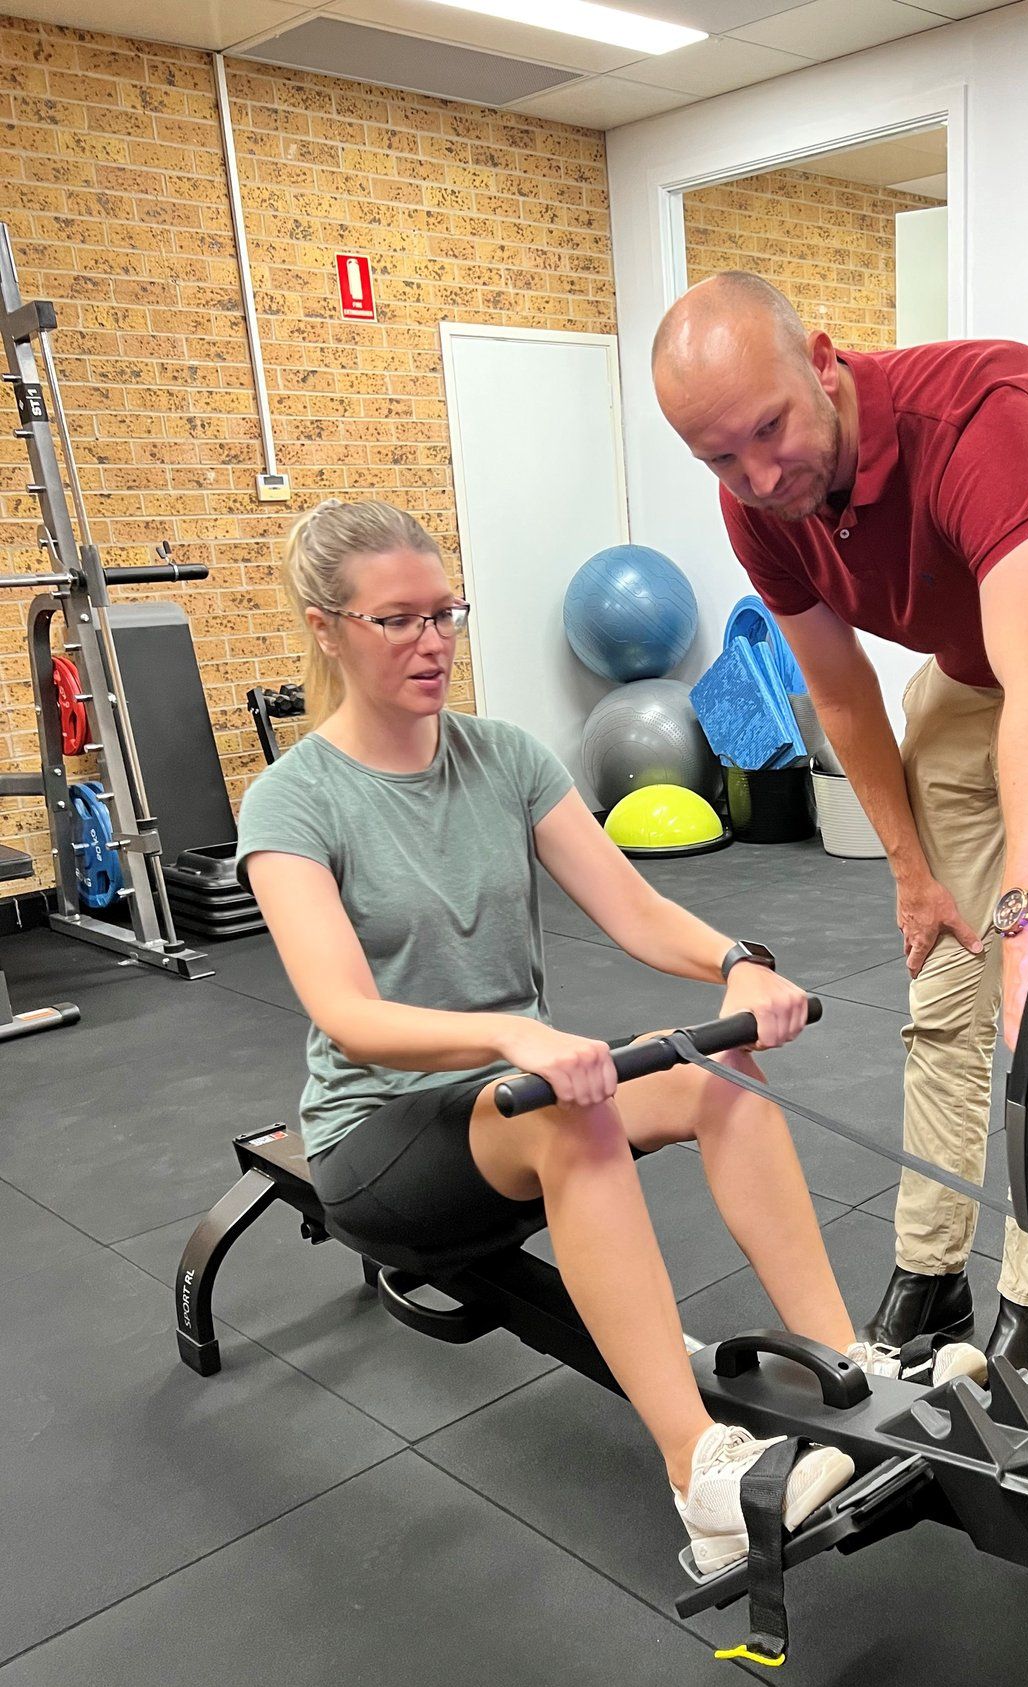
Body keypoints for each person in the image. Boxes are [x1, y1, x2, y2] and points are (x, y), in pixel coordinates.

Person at [237, 499, 986, 1580]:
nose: (432, 640)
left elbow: (632, 909)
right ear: (326, 627)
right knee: (572, 1120)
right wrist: (510, 1033)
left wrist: (739, 959)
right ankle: (705, 1479)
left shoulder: (504, 758)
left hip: (514, 1096)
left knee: (717, 1070)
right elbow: (349, 1014)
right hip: (377, 1134)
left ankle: (845, 1364)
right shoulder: (293, 801)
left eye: (443, 611)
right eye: (395, 620)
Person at [653, 272, 1028, 1393]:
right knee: (947, 990)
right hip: (964, 685)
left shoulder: (985, 414)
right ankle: (929, 1266)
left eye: (770, 429)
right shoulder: (756, 503)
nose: (759, 475)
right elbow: (842, 693)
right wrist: (910, 874)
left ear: (824, 358)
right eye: (720, 458)